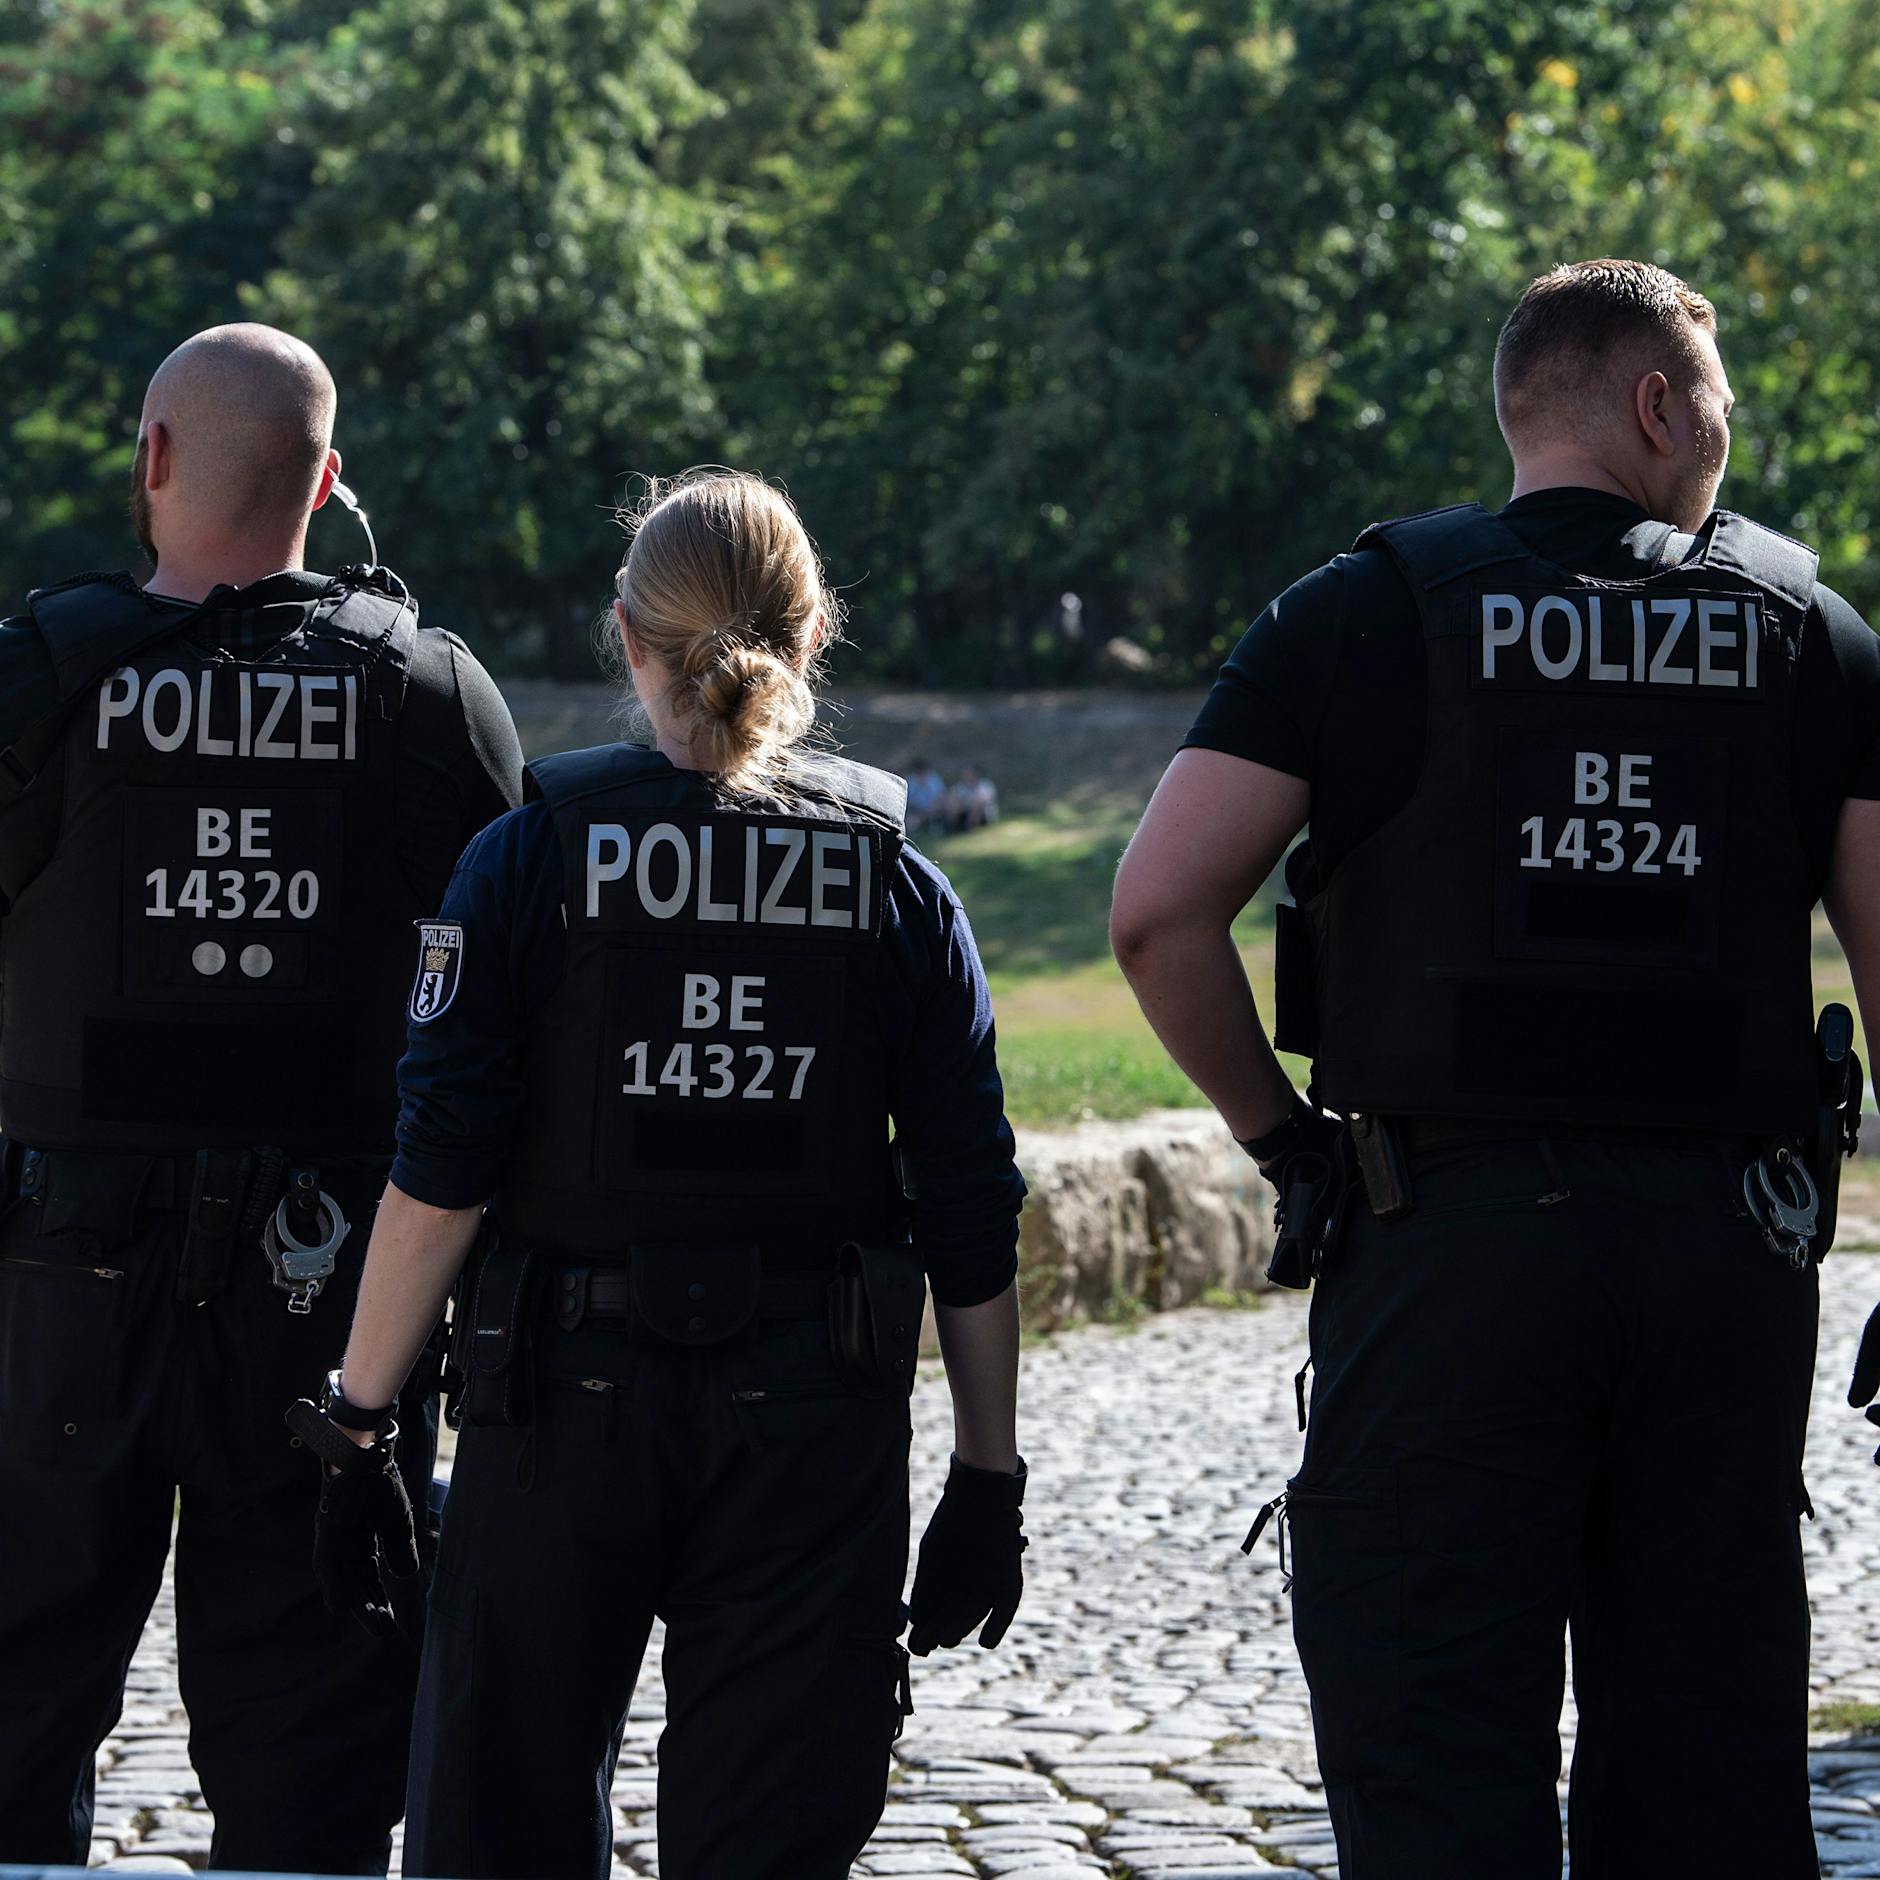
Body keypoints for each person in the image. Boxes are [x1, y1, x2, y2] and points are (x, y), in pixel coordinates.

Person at [1109, 259, 1880, 1876]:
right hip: (1722, 1264)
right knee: (1709, 1785)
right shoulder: (1812, 635)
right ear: (1661, 407)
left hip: (1442, 1255)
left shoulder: (1364, 614)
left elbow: (1160, 916)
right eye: (1720, 409)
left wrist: (1287, 1148)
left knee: (1436, 1762)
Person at [289, 469, 1029, 1880]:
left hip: (559, 1404)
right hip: (816, 1418)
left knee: (498, 1830)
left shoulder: (524, 861)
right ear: (815, 639)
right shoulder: (899, 889)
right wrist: (988, 1475)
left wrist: (362, 1424)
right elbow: (969, 1211)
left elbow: (438, 1180)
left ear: (623, 634)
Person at [0, 322, 524, 1873]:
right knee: (316, 1733)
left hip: (49, 1296)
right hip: (331, 1306)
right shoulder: (431, 695)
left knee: (12, 1704)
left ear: (152, 459)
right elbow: (509, 1025)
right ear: (329, 483)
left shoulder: (29, 681)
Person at [905, 755, 948, 834]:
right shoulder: (911, 781)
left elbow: (941, 795)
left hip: (933, 808)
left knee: (936, 810)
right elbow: (909, 799)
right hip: (917, 810)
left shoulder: (934, 779)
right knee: (911, 821)